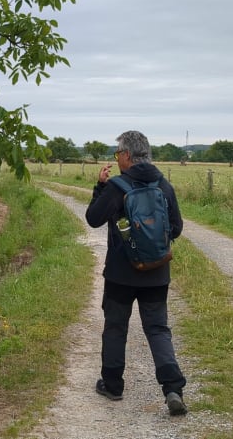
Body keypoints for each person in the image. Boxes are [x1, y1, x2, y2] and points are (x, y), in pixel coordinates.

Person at [85, 130, 187, 416]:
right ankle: (173, 389)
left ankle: (113, 385)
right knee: (158, 329)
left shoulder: (117, 187)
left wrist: (100, 187)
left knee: (116, 327)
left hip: (120, 274)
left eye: (118, 153)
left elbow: (93, 219)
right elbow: (176, 228)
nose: (117, 158)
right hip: (157, 272)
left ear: (128, 155)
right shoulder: (163, 185)